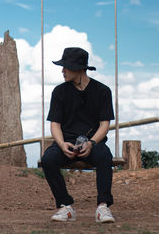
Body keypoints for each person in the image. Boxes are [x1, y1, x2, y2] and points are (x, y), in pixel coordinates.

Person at [41, 47, 115, 223]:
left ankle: (102, 207)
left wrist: (91, 143)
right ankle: (65, 206)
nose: (62, 70)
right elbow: (55, 124)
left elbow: (105, 124)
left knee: (105, 157)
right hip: (66, 142)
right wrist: (61, 144)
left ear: (79, 68)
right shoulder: (59, 92)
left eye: (66, 66)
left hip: (93, 143)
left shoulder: (102, 91)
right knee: (48, 160)